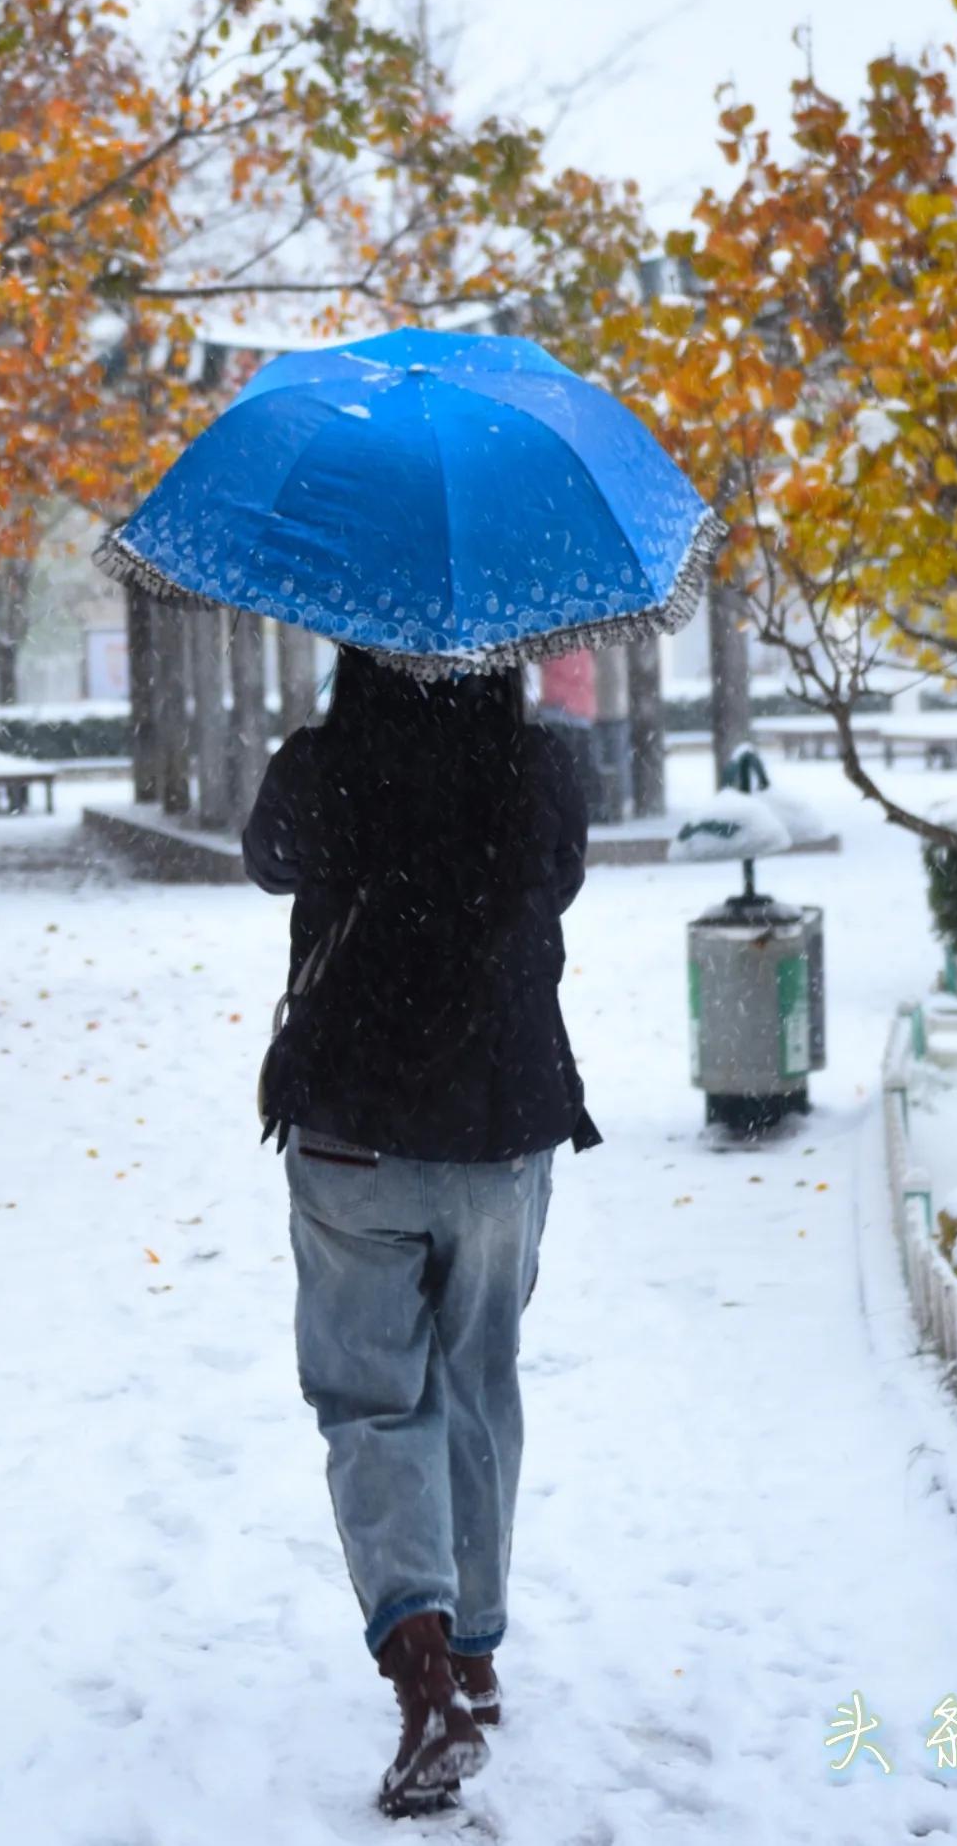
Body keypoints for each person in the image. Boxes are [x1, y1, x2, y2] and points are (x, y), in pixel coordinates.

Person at [244, 645, 600, 1818]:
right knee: (478, 1376)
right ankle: (479, 1648)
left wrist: (348, 791)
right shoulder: (539, 771)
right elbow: (549, 886)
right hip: (500, 1125)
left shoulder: (323, 766)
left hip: (352, 1125)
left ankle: (426, 1674)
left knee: (371, 1398)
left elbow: (266, 861)